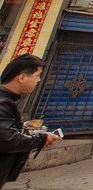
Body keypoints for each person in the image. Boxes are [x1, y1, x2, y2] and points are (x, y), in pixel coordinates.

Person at [0, 54, 61, 188]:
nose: (39, 80)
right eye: (37, 75)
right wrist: (41, 139)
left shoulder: (7, 101)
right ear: (22, 77)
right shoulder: (3, 103)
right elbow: (7, 140)